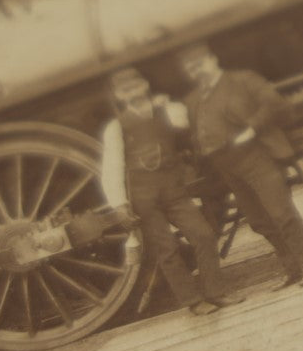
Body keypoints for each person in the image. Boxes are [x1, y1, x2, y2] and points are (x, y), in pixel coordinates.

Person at [178, 44, 303, 289]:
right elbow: (195, 132)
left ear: (212, 59)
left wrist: (251, 129)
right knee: (259, 221)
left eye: (199, 63)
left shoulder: (243, 80)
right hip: (225, 165)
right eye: (190, 68)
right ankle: (293, 270)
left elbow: (274, 103)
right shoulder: (193, 100)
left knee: (281, 214)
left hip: (254, 156)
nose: (196, 70)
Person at [99, 68, 245, 316]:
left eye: (135, 86)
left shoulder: (167, 111)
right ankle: (193, 301)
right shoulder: (116, 127)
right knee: (166, 249)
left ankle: (215, 293)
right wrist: (120, 205)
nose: (132, 93)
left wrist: (164, 103)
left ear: (145, 86)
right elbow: (112, 166)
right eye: (125, 91)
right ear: (119, 96)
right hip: (142, 195)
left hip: (172, 187)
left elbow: (186, 120)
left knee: (203, 235)